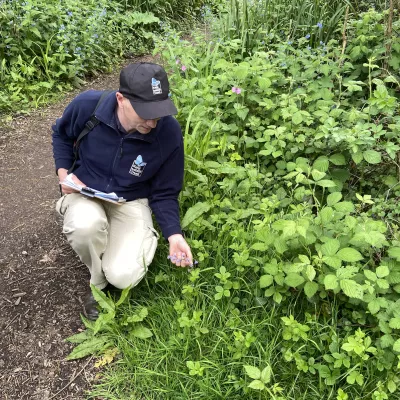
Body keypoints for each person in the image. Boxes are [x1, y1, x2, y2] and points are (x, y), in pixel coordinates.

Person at [52, 62, 193, 320]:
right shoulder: (88, 106)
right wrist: (64, 175)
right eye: (145, 112)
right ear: (121, 99)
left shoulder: (168, 132)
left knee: (124, 275)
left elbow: (164, 192)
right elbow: (61, 135)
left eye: (159, 112)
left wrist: (174, 235)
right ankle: (97, 284)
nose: (152, 122)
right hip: (84, 191)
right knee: (86, 226)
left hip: (130, 200)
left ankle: (109, 257)